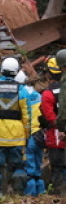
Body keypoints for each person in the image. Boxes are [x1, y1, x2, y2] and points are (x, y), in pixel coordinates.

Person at [0, 57, 31, 195]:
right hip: (16, 135)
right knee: (18, 166)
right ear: (15, 73)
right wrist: (26, 136)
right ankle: (19, 194)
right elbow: (27, 116)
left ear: (1, 70)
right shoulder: (22, 91)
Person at [16, 71, 45, 195]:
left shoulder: (20, 95)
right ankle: (42, 195)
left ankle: (30, 196)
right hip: (39, 135)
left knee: (29, 169)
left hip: (27, 135)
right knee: (38, 166)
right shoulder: (38, 95)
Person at [41, 56, 65, 194]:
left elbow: (49, 116)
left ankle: (60, 197)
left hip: (55, 139)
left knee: (57, 169)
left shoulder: (47, 94)